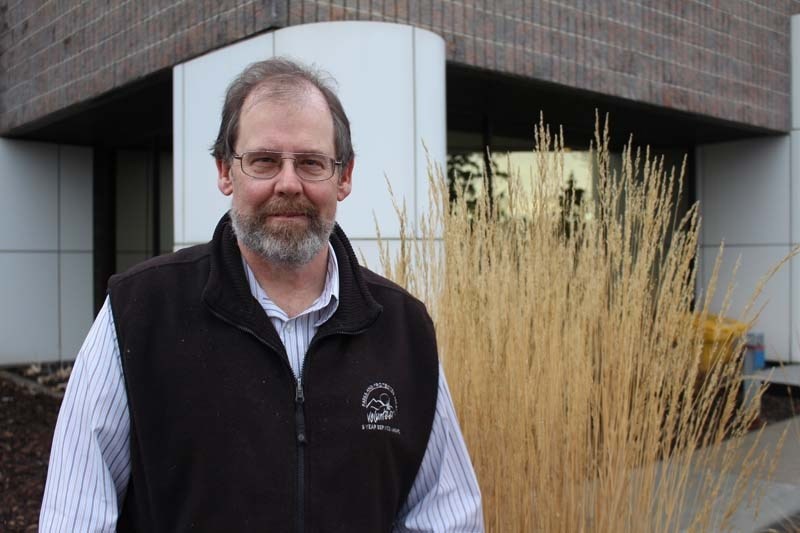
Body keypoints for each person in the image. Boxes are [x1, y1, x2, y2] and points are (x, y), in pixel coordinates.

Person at [39, 57, 483, 532]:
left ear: (345, 176)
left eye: (311, 162)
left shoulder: (403, 330)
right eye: (265, 161)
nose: (288, 183)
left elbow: (445, 516)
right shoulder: (140, 313)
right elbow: (75, 516)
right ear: (226, 172)